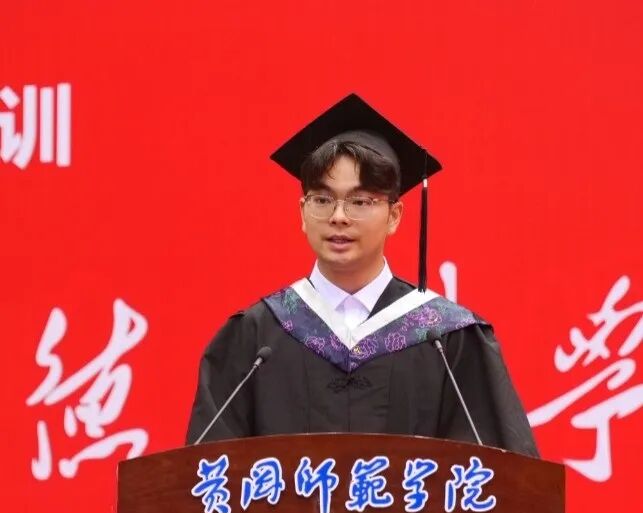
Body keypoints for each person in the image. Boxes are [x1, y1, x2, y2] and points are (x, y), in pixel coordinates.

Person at [186, 94, 538, 459]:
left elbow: (504, 478)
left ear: (394, 216)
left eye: (360, 201)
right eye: (322, 200)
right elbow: (205, 475)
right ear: (303, 213)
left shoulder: (447, 339)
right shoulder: (255, 337)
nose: (338, 217)